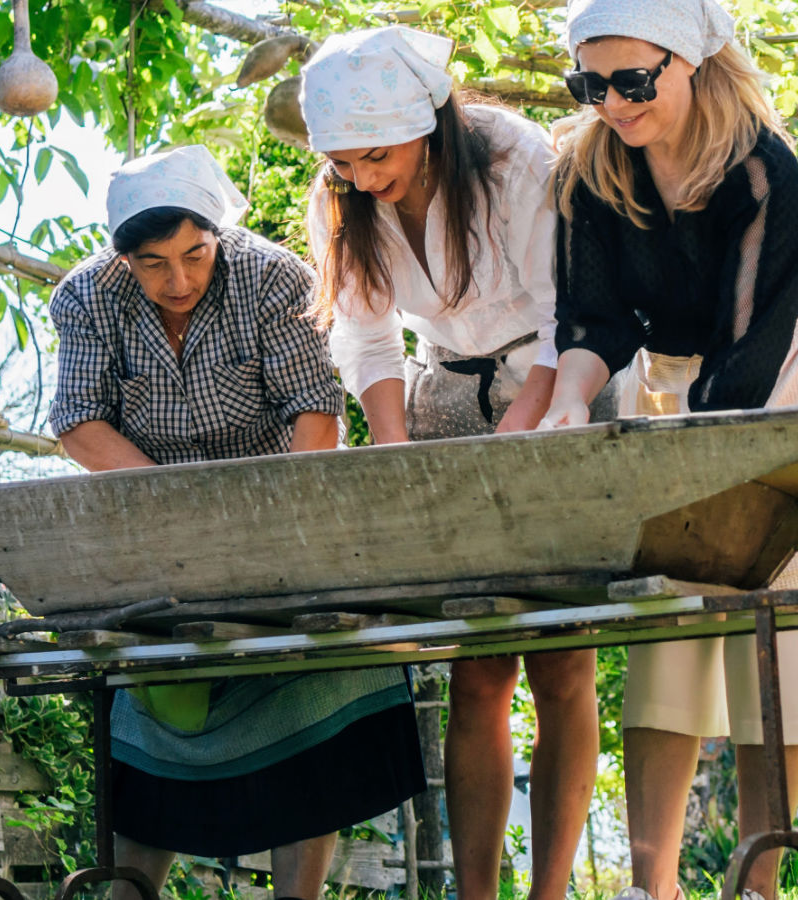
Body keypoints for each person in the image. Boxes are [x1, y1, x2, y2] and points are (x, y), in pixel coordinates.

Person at [48, 145, 426, 900]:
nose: (178, 280)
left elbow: (316, 413)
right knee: (155, 733)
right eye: (153, 265)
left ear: (218, 234)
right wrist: (178, 510)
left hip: (281, 524)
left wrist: (264, 528)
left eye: (194, 254)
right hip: (158, 538)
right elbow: (78, 423)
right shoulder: (85, 298)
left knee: (310, 701)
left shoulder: (272, 275)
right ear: (122, 259)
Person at [298, 26, 615, 900]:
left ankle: (548, 892)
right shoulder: (343, 195)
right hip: (444, 393)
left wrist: (520, 437)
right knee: (478, 666)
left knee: (562, 657)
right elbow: (366, 336)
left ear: (427, 121)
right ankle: (476, 894)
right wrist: (395, 453)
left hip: (559, 382)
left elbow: (567, 311)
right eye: (344, 163)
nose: (362, 178)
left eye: (376, 155)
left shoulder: (509, 155)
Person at [539, 1, 798, 898]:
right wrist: (572, 398)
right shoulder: (585, 169)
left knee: (771, 630)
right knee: (668, 632)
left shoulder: (765, 172)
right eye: (589, 83)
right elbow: (590, 320)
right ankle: (656, 888)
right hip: (663, 386)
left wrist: (700, 456)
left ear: (687, 62)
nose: (609, 104)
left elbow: (751, 341)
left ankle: (760, 880)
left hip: (777, 388)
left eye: (631, 81)